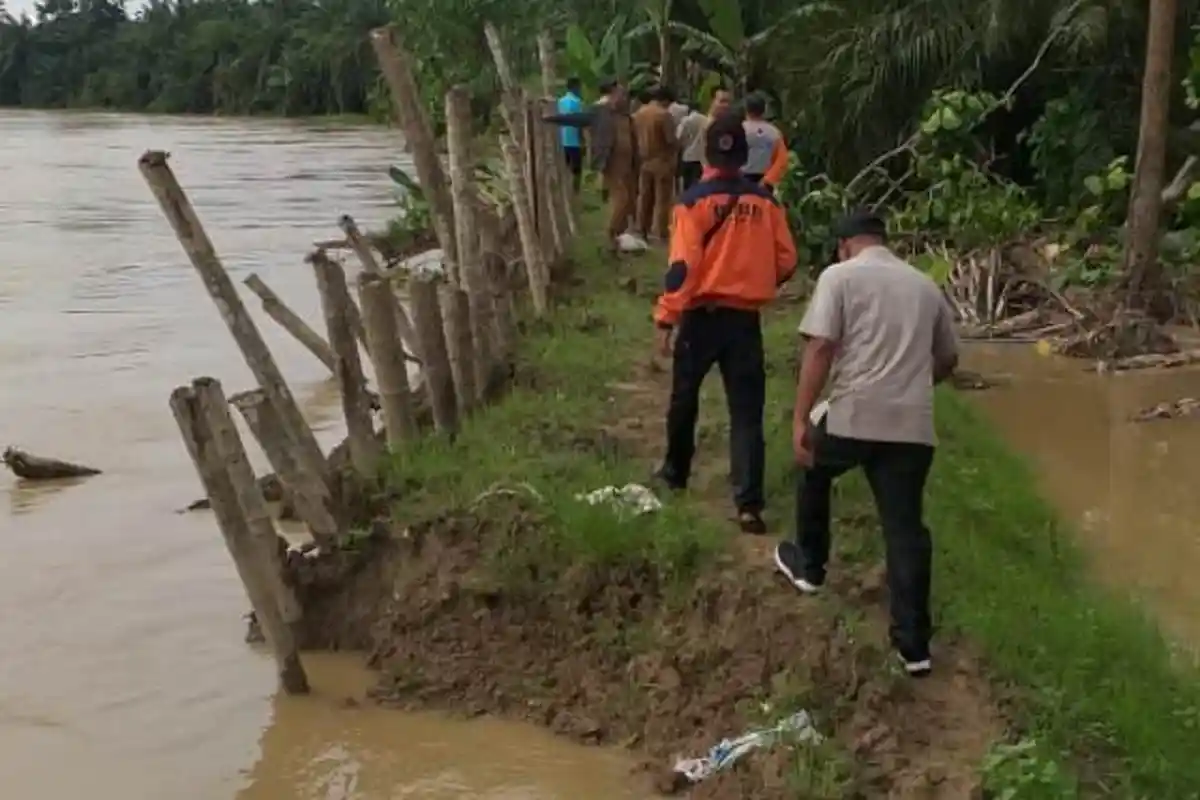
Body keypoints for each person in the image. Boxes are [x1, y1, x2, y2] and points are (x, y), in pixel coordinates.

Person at [775, 209, 960, 678]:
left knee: (812, 466)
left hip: (853, 416)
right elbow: (947, 358)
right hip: (911, 428)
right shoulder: (925, 286)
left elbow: (820, 347)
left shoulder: (839, 277)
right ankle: (914, 648)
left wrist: (800, 417)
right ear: (883, 240)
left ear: (844, 245)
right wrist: (912, 386)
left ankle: (810, 567)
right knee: (905, 529)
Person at [653, 113, 798, 534]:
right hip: (744, 320)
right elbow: (787, 260)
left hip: (701, 317)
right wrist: (756, 279)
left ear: (705, 155)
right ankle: (749, 503)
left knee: (684, 398)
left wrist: (667, 316)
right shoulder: (766, 203)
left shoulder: (692, 202)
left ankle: (675, 475)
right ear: (744, 155)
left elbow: (683, 267)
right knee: (747, 411)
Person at [590, 81, 639, 247]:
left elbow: (633, 142)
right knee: (622, 199)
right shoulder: (605, 116)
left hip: (628, 166)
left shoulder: (627, 119)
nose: (623, 98)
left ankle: (619, 234)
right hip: (613, 165)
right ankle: (611, 233)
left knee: (628, 201)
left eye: (624, 95)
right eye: (619, 95)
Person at [633, 85, 679, 241]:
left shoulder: (639, 113)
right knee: (662, 199)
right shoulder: (664, 115)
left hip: (644, 160)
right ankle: (661, 232)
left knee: (644, 196)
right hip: (662, 161)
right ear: (665, 100)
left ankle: (641, 228)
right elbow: (670, 140)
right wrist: (679, 145)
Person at [741, 92, 789, 191]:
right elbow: (782, 160)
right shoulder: (774, 133)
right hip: (765, 181)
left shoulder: (738, 130)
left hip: (741, 180)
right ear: (764, 110)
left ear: (746, 109)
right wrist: (768, 180)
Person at [557, 77, 586, 192]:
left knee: (565, 167)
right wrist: (582, 140)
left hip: (562, 140)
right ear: (575, 87)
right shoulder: (577, 102)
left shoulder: (560, 102)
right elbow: (579, 122)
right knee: (577, 169)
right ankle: (575, 191)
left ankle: (565, 190)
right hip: (574, 141)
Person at [676, 102, 707, 191]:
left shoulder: (685, 120)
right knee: (698, 183)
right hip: (701, 157)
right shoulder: (705, 119)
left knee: (687, 184)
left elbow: (679, 136)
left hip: (687, 156)